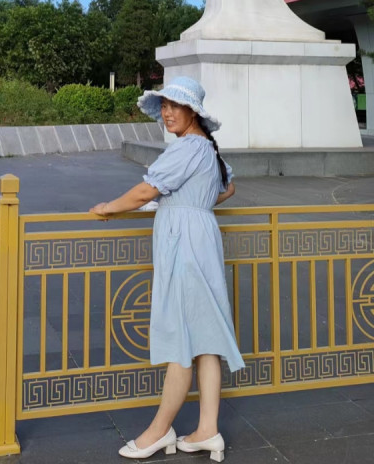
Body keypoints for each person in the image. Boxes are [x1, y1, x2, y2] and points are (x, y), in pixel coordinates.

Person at [90, 76, 244, 460]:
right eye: (164, 105)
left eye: (175, 106)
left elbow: (146, 191)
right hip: (202, 239)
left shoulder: (188, 148)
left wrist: (108, 208)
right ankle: (208, 430)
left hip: (185, 247)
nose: (167, 113)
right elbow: (228, 188)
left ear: (193, 112)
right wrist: (193, 203)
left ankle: (158, 432)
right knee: (205, 341)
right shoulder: (207, 148)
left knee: (181, 340)